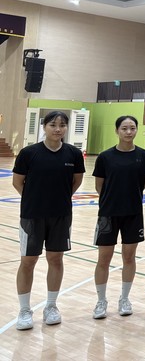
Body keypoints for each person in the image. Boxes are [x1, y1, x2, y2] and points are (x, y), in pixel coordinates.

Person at [13, 111, 85, 330]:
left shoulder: (73, 154)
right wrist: (35, 199)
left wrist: (58, 199)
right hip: (32, 215)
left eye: (62, 125)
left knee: (55, 259)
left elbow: (76, 181)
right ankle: (24, 310)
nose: (58, 129)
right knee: (28, 261)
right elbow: (17, 182)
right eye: (53, 125)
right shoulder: (29, 153)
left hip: (61, 215)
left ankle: (51, 306)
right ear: (44, 127)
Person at [92, 115, 145, 319]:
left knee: (129, 257)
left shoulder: (143, 156)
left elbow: (142, 184)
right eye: (124, 128)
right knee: (104, 259)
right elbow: (99, 186)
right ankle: (101, 301)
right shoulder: (105, 157)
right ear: (117, 130)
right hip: (108, 214)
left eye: (132, 128)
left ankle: (124, 299)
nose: (128, 132)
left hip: (133, 213)